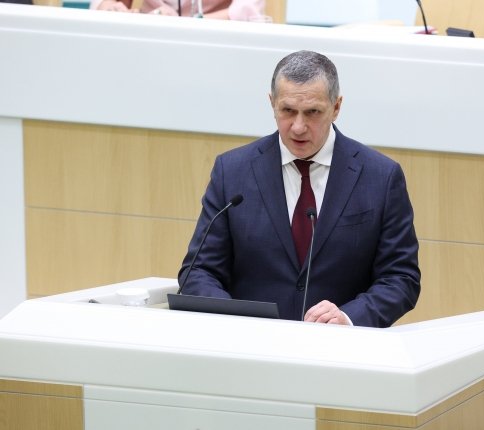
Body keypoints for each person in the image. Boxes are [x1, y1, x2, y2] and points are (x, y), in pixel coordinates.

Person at [178, 50, 421, 328]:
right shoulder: (232, 172)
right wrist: (236, 321)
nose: (298, 127)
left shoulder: (380, 177)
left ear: (336, 107)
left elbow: (401, 278)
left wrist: (348, 317)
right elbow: (198, 270)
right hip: (249, 343)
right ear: (272, 103)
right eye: (287, 111)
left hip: (341, 347)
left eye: (312, 112)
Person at [90, 0, 264, 19]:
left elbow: (246, 8)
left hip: (215, 41)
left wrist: (187, 24)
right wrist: (109, 7)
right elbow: (104, 3)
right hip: (148, 40)